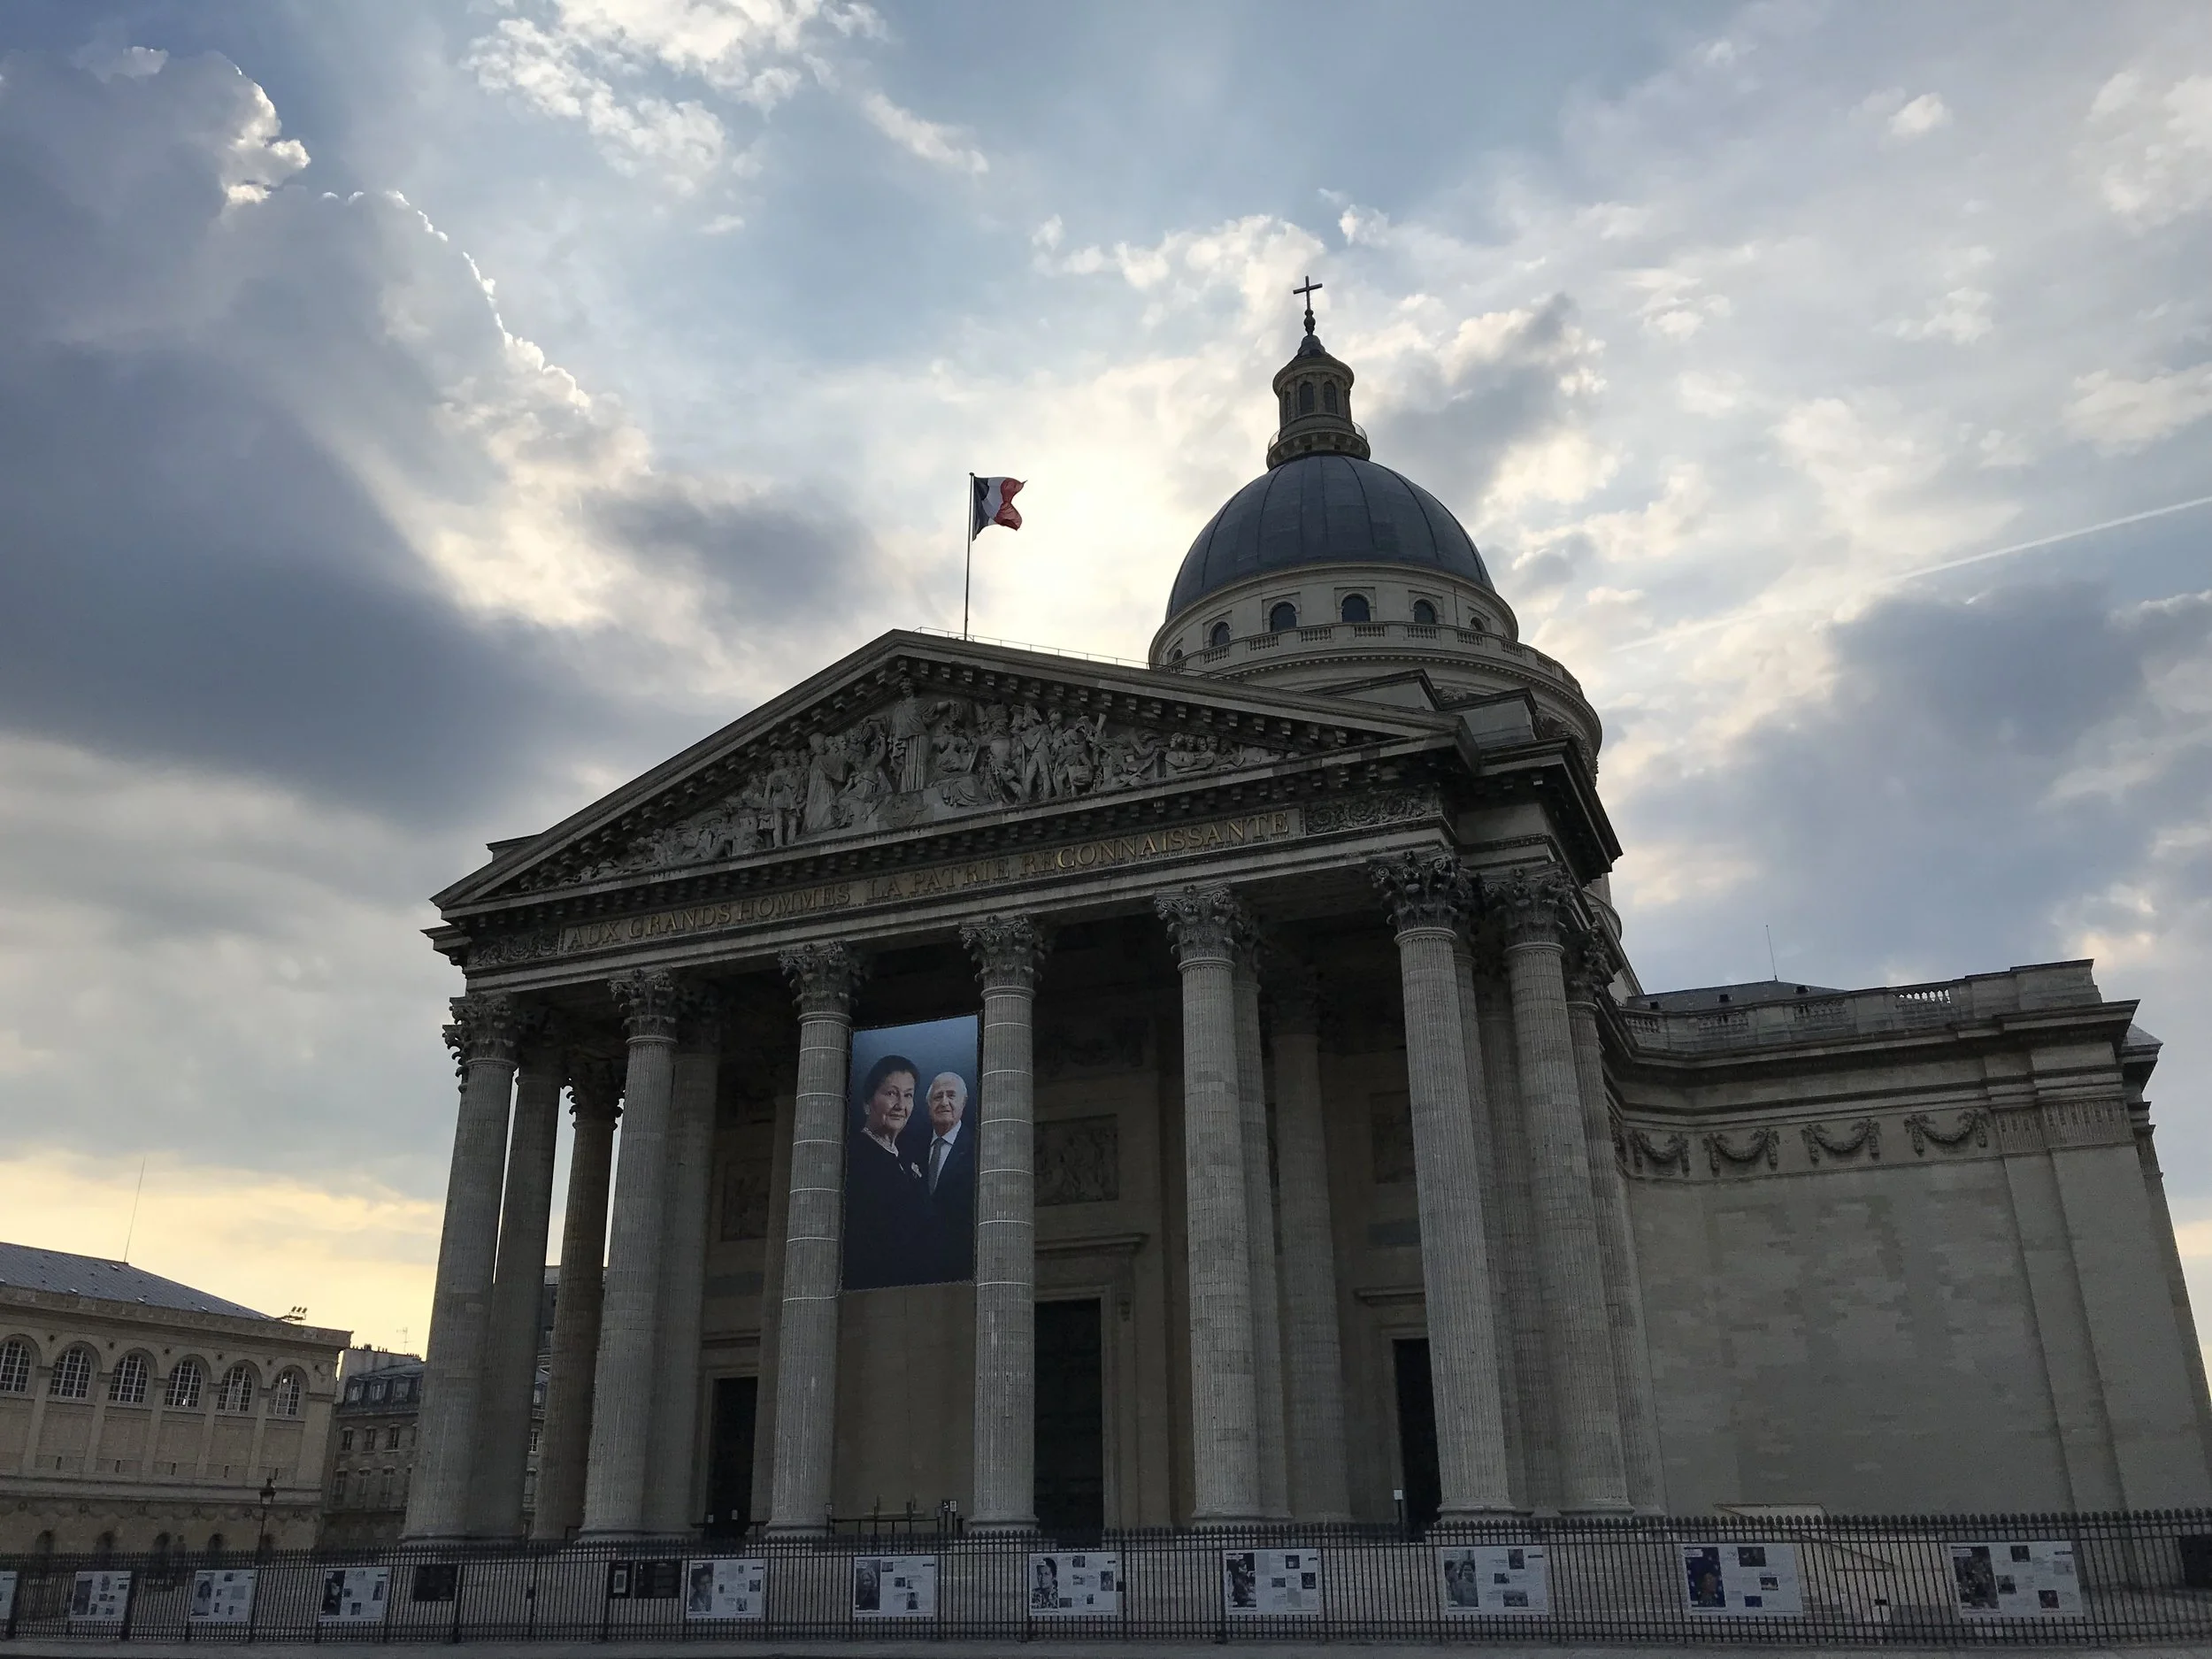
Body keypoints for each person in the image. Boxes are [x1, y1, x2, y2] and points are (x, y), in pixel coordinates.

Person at [844, 1055, 926, 1289]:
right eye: (891, 1093)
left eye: (908, 1095)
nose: (901, 1104)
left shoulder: (906, 1157)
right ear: (868, 1102)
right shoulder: (856, 1157)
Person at [912, 1070, 977, 1281]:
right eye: (938, 1096)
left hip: (962, 1266)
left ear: (964, 1102)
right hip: (913, 1266)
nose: (944, 1102)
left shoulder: (978, 1148)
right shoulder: (910, 1147)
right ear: (928, 1104)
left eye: (951, 1095)